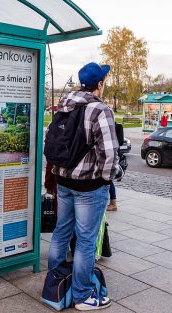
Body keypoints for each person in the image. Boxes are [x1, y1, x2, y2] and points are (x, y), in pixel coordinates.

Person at [48, 62, 123, 310]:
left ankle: (54, 283)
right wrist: (109, 177)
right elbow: (110, 154)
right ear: (100, 84)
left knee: (61, 232)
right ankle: (82, 296)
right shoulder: (100, 110)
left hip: (63, 181)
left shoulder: (64, 105)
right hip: (89, 187)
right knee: (86, 241)